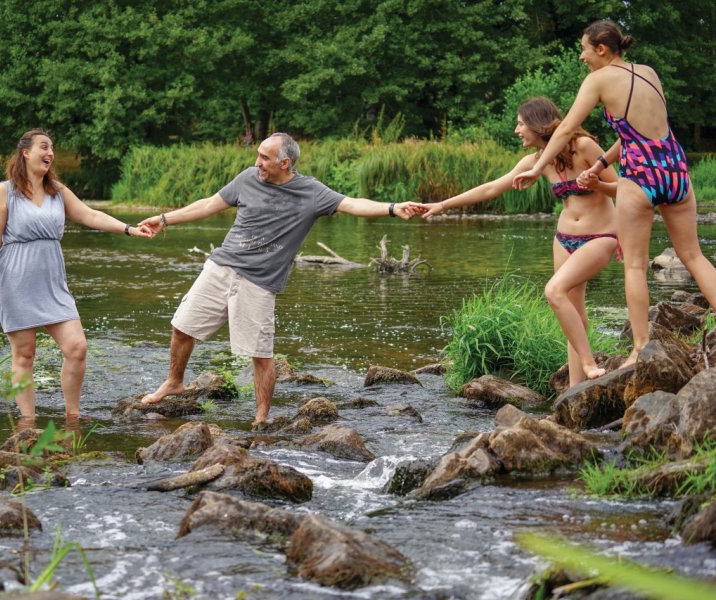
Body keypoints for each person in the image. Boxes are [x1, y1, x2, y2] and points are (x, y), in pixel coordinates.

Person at [137, 132, 421, 425]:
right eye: (258, 155)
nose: (256, 162)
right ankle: (174, 381)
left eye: (264, 157)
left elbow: (353, 204)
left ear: (285, 163)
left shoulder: (311, 193)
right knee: (182, 327)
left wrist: (391, 208)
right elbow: (209, 204)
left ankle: (261, 418)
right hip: (221, 267)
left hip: (259, 282)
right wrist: (164, 219)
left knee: (260, 355)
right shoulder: (247, 179)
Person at [513, 19, 716, 367]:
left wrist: (536, 166)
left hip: (640, 176)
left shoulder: (598, 80)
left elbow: (564, 131)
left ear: (601, 49)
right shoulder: (649, 73)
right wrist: (601, 162)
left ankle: (640, 349)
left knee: (635, 265)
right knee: (694, 257)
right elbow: (636, 132)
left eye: (584, 49)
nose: (581, 57)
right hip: (676, 169)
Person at [415, 98, 619, 386]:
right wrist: (443, 204)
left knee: (554, 291)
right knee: (574, 312)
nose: (516, 130)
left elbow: (622, 187)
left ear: (538, 124)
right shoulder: (537, 161)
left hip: (601, 235)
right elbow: (491, 187)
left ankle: (588, 362)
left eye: (521, 123)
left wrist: (598, 184)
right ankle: (575, 390)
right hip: (564, 239)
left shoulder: (583, 146)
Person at [0, 129, 152, 421]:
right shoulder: (4, 191)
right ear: (25, 153)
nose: (50, 153)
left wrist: (129, 228)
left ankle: (72, 416)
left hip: (52, 283)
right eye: (44, 147)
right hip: (15, 280)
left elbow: (89, 215)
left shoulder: (57, 191)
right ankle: (28, 421)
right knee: (24, 354)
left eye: (52, 149)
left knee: (77, 347)